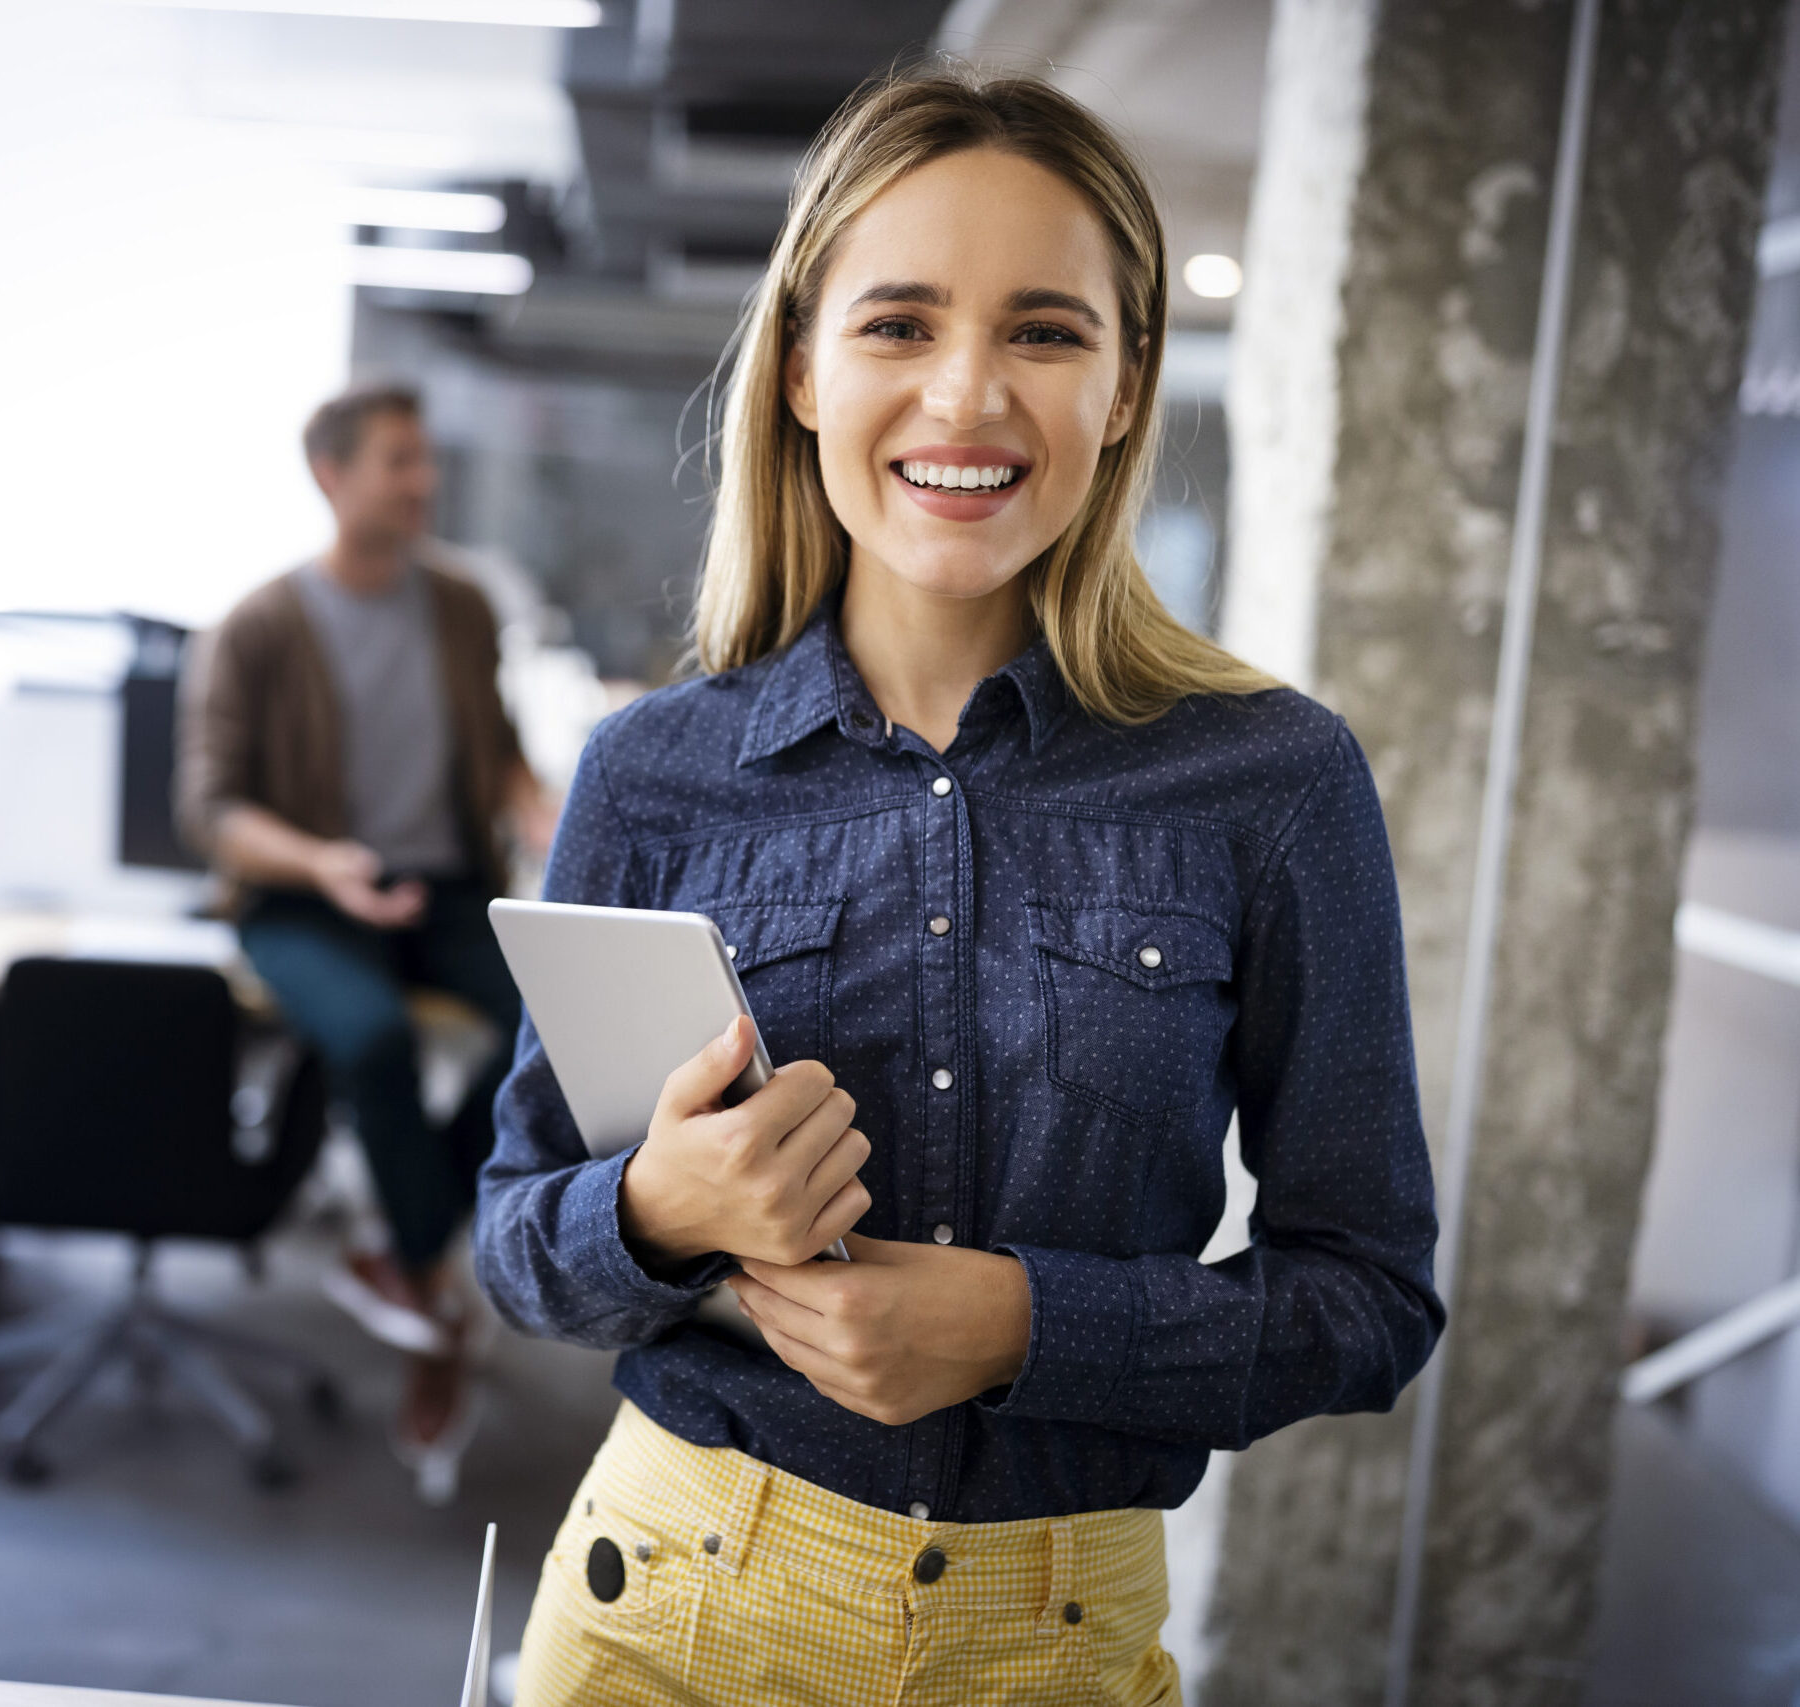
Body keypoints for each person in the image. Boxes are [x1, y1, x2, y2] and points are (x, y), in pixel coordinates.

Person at [476, 67, 1444, 1705]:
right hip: (671, 1610)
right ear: (799, 366)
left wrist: (1021, 1326)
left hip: (1053, 1639)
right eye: (899, 324)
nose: (967, 394)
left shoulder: (1272, 784)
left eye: (1048, 332)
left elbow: (1368, 1299)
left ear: (1128, 385)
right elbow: (513, 1233)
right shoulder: (653, 773)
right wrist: (658, 1209)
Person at [177, 383, 556, 1480]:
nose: (423, 480)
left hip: (441, 890)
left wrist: (546, 810)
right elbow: (213, 810)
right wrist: (320, 862)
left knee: (551, 1027)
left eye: (425, 459)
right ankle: (435, 1286)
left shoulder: (459, 606)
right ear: (331, 476)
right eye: (399, 461)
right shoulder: (254, 625)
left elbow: (496, 747)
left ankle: (405, 1250)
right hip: (303, 895)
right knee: (372, 1039)